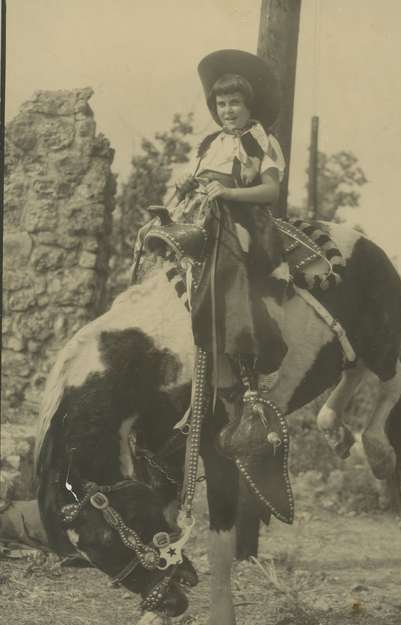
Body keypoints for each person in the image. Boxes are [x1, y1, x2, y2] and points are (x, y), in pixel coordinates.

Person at [171, 49, 290, 394]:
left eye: (235, 103)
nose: (228, 111)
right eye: (222, 104)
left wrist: (228, 193)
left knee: (227, 258)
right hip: (202, 208)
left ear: (248, 105)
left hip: (241, 213)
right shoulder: (210, 143)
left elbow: (270, 191)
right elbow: (196, 178)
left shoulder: (259, 141)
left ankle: (246, 352)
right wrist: (184, 186)